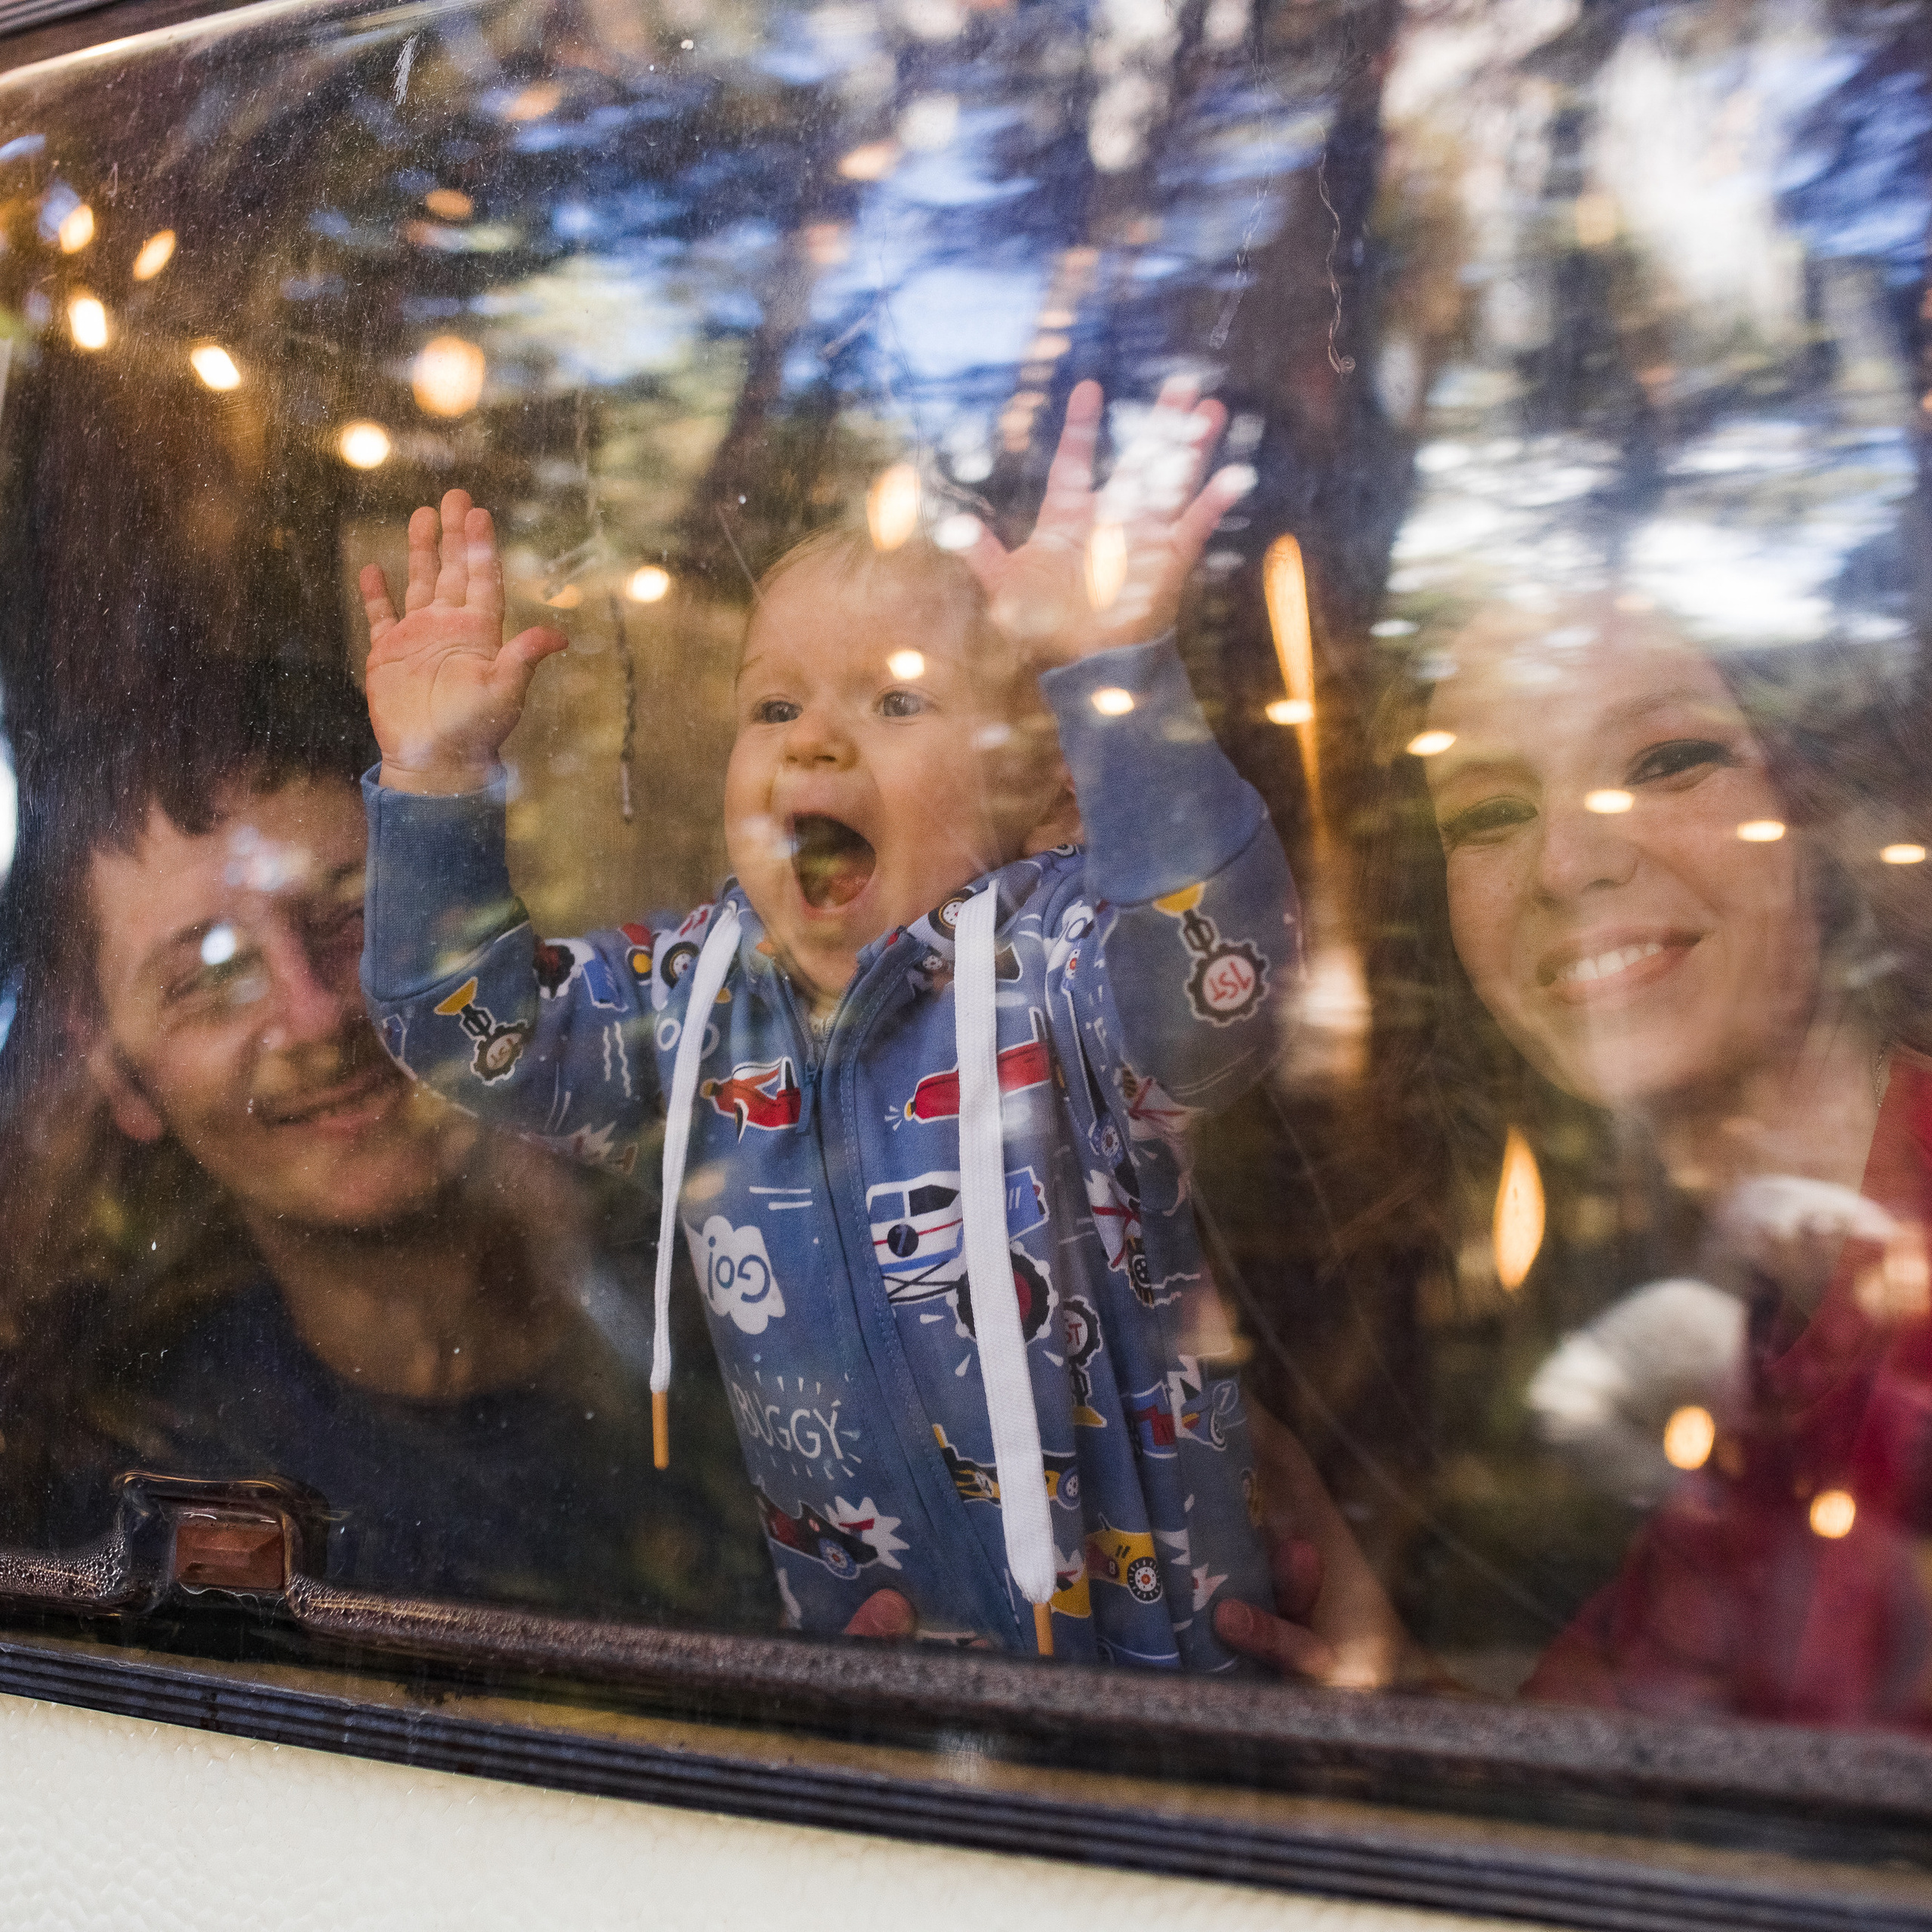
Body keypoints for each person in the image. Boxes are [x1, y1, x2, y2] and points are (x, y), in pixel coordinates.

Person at [356, 378, 1296, 1668]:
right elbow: (470, 1034)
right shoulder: (691, 996)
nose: (812, 747)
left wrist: (1113, 679)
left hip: (1165, 1680)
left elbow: (1214, 983)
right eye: (775, 707)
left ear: (1041, 792)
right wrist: (436, 783)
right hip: (878, 1688)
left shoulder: (1066, 960)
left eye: (896, 702)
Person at [0, 659, 776, 1630]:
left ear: (492, 935)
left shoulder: (749, 1280)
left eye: (360, 920)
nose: (317, 1015)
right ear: (117, 1075)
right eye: (209, 975)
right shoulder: (118, 1485)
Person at [1386, 595, 1932, 1726]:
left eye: (1669, 761)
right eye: (1489, 812)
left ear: (1817, 801)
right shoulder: (1744, 1317)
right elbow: (1614, 1801)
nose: (1568, 864)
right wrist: (1363, 1665)